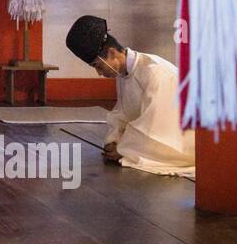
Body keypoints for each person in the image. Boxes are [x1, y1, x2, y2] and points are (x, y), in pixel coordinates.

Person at [64, 15, 196, 177]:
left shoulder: (154, 72)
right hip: (148, 140)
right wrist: (114, 141)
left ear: (112, 53)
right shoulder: (125, 74)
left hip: (185, 141)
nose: (99, 73)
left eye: (98, 66)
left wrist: (124, 149)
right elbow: (123, 115)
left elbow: (157, 126)